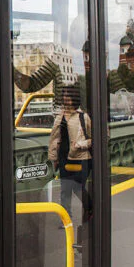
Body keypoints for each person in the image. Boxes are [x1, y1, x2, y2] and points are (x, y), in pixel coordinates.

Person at [47, 85, 92, 241]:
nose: (65, 98)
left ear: (74, 98)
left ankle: (90, 209)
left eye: (68, 95)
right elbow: (54, 139)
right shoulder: (59, 117)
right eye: (64, 95)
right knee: (65, 190)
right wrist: (54, 159)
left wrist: (80, 145)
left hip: (81, 158)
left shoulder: (83, 117)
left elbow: (95, 138)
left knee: (77, 188)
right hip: (64, 159)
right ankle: (66, 219)